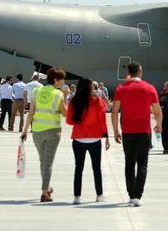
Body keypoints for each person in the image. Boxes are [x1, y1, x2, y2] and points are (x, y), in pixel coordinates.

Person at [111, 61, 162, 207]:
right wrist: (159, 126)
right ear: (140, 72)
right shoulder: (149, 88)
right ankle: (138, 195)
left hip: (127, 131)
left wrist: (115, 130)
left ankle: (131, 194)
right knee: (142, 164)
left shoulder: (121, 89)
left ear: (128, 73)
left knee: (129, 163)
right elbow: (157, 111)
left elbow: (114, 112)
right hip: (144, 131)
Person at [21, 67, 68, 202]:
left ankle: (47, 187)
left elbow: (31, 112)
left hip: (37, 131)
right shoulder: (58, 94)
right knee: (48, 163)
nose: (63, 81)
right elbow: (65, 114)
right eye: (62, 79)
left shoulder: (37, 91)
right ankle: (44, 193)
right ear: (56, 80)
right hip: (53, 131)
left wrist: (25, 131)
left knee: (43, 161)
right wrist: (65, 97)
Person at [66, 78, 110, 204]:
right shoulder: (97, 101)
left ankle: (77, 196)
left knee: (78, 168)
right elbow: (102, 120)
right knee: (97, 168)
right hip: (94, 138)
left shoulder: (74, 101)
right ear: (91, 87)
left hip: (78, 138)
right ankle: (99, 195)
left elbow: (69, 121)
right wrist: (106, 137)